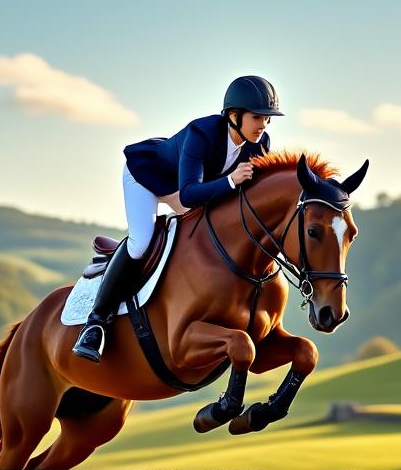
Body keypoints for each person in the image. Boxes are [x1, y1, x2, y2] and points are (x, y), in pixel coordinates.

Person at [72, 75, 282, 362]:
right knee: (141, 241)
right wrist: (232, 181)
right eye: (258, 117)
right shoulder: (202, 134)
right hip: (147, 177)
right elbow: (188, 196)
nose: (263, 125)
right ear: (234, 116)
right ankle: (96, 323)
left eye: (268, 119)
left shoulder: (260, 144)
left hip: (188, 184)